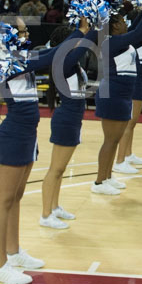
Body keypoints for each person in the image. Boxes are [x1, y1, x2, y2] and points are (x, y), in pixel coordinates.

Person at [0, 16, 91, 284]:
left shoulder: (20, 56)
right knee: (4, 199)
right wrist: (83, 32)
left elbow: (50, 53)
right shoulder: (3, 60)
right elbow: (54, 55)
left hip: (27, 133)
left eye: (25, 31)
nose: (25, 35)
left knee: (17, 196)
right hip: (14, 133)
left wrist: (83, 33)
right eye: (20, 31)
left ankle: (14, 251)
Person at [88, 5, 142, 191]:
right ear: (114, 26)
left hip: (124, 95)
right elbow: (139, 29)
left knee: (115, 140)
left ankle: (108, 177)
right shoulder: (110, 42)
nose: (124, 22)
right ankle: (99, 182)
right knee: (110, 140)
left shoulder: (123, 40)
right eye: (121, 21)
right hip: (112, 94)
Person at [37, 24, 92, 229]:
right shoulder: (63, 62)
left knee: (60, 169)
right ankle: (45, 214)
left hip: (72, 118)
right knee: (55, 169)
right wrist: (91, 28)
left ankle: (55, 206)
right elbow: (85, 46)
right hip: (66, 118)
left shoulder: (72, 63)